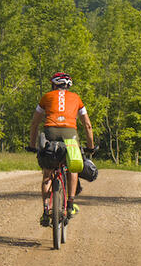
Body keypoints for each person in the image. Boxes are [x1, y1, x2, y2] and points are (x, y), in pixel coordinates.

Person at [28, 72, 95, 227]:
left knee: (47, 173)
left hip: (50, 133)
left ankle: (46, 210)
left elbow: (34, 123)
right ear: (68, 86)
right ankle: (70, 204)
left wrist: (32, 145)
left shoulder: (46, 97)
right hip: (70, 135)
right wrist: (90, 147)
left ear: (53, 85)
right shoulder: (76, 98)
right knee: (73, 167)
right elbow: (87, 125)